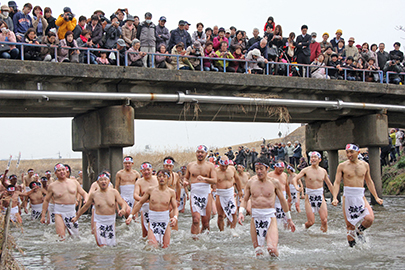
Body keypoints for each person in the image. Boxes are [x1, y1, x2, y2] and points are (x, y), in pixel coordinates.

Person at [238, 156, 295, 257]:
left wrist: (289, 219)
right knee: (258, 252)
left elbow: (283, 201)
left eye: (261, 169)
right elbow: (245, 199)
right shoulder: (251, 183)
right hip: (255, 217)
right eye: (257, 169)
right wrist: (241, 212)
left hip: (269, 217)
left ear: (267, 169)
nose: (259, 171)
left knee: (272, 249)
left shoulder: (274, 183)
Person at [332, 144, 383, 247]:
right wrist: (334, 197)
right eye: (347, 152)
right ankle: (353, 249)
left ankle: (359, 231)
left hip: (360, 195)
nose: (349, 154)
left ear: (358, 152)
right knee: (350, 226)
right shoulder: (342, 166)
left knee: (370, 218)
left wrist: (376, 197)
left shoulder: (365, 165)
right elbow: (337, 182)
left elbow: (369, 182)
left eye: (351, 152)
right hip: (348, 196)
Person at [72, 172, 127, 247]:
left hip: (111, 220)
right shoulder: (94, 194)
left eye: (105, 179)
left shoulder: (114, 192)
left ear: (109, 181)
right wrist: (76, 217)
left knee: (111, 245)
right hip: (99, 221)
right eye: (101, 180)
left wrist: (123, 209)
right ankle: (100, 258)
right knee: (102, 245)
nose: (103, 181)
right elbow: (85, 206)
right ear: (97, 182)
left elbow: (122, 203)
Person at [126, 169, 178, 248]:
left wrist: (175, 217)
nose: (161, 178)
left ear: (168, 178)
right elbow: (140, 203)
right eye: (159, 176)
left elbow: (175, 207)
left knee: (166, 250)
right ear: (157, 178)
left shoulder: (171, 192)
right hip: (153, 221)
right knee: (153, 249)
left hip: (165, 221)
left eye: (164, 176)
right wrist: (131, 215)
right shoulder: (150, 190)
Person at [40, 163, 88, 239]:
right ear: (55, 173)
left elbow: (84, 193)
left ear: (66, 171)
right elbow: (46, 200)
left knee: (75, 237)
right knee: (61, 237)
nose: (62, 172)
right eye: (59, 171)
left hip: (71, 211)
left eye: (63, 170)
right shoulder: (52, 186)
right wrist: (43, 216)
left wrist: (86, 198)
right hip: (59, 211)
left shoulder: (74, 182)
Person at [292, 151, 333, 232]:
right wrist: (297, 187)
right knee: (311, 222)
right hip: (309, 196)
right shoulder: (306, 170)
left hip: (320, 196)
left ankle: (324, 237)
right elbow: (295, 178)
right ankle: (303, 229)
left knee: (324, 220)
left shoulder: (323, 171)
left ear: (319, 159)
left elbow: (329, 184)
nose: (313, 159)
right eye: (311, 157)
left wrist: (334, 197)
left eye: (315, 157)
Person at [184, 145, 217, 238]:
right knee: (195, 220)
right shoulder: (190, 165)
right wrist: (185, 182)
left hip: (206, 194)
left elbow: (215, 180)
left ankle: (205, 243)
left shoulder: (210, 166)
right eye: (198, 152)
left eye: (202, 152)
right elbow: (186, 177)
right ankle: (194, 242)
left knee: (205, 223)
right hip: (195, 193)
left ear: (206, 154)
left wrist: (204, 178)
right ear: (196, 153)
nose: (200, 154)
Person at [215, 157, 242, 232]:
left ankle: (232, 230)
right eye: (222, 166)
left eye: (226, 166)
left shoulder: (232, 169)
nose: (224, 168)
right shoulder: (215, 171)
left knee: (233, 212)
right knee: (220, 215)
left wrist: (239, 190)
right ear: (219, 163)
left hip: (230, 193)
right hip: (220, 193)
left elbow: (237, 179)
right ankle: (222, 231)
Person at [133, 162, 158, 238]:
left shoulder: (158, 179)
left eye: (148, 170)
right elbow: (135, 195)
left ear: (152, 170)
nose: (146, 172)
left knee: (157, 230)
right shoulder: (139, 182)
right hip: (145, 207)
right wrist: (143, 199)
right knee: (145, 233)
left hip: (158, 207)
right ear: (141, 171)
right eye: (144, 170)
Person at [268, 161, 291, 227]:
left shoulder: (285, 175)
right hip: (274, 199)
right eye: (280, 168)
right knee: (276, 217)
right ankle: (275, 231)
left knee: (287, 217)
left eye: (283, 168)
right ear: (275, 167)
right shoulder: (269, 175)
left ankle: (287, 232)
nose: (281, 169)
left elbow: (286, 186)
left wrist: (289, 196)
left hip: (283, 198)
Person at [162, 156, 181, 230]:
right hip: (161, 200)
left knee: (174, 219)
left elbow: (178, 187)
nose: (168, 168)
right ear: (164, 166)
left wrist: (178, 199)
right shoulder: (159, 176)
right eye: (166, 166)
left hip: (171, 200)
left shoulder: (175, 175)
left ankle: (174, 235)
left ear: (173, 166)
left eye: (170, 166)